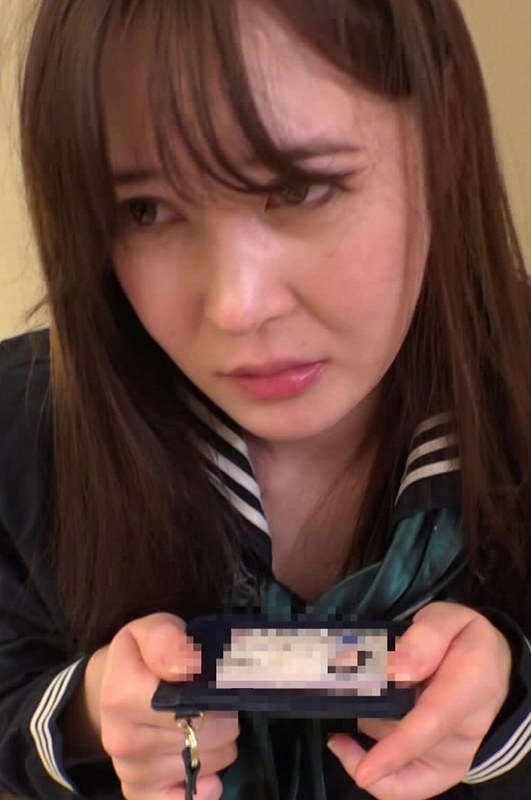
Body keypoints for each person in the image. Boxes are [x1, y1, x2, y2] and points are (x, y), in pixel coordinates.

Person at [0, 1, 530, 798]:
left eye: (298, 187)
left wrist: (508, 710)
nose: (235, 307)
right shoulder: (18, 431)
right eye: (147, 211)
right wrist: (82, 716)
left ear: (444, 133)